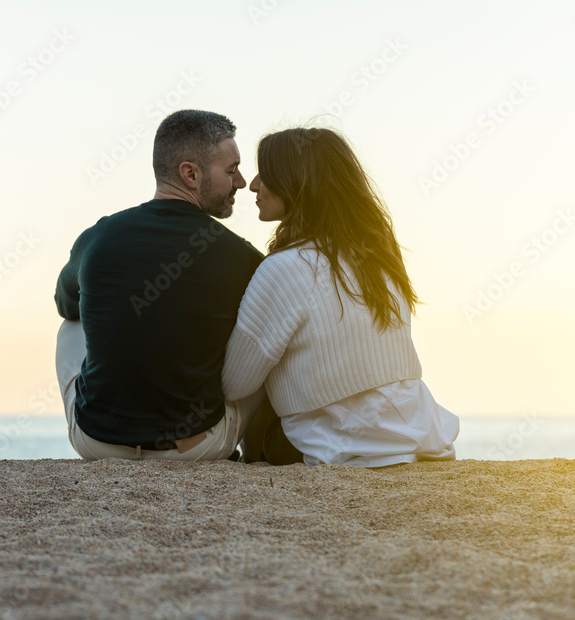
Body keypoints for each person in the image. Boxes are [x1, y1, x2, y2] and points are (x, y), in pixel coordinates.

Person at [222, 127, 459, 467]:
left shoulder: (283, 268)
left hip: (336, 446)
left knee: (261, 368)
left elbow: (235, 384)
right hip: (420, 434)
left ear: (296, 182)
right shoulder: (379, 260)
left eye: (267, 174)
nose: (255, 185)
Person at [54, 110, 266, 461]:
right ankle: (259, 454)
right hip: (196, 448)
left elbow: (66, 305)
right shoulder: (242, 257)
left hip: (97, 443)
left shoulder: (98, 237)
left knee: (70, 323)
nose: (241, 182)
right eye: (231, 170)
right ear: (191, 174)